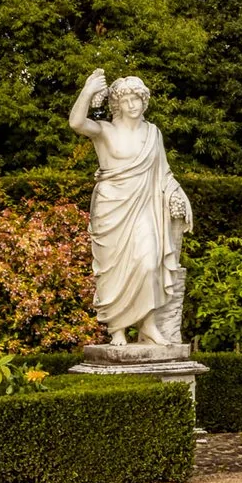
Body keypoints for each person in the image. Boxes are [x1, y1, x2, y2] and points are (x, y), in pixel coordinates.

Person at [67, 68, 193, 347]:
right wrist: (88, 91)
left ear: (144, 101)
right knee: (114, 269)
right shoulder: (105, 131)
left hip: (144, 207)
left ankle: (147, 326)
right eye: (126, 100)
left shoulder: (153, 133)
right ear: (117, 105)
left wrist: (178, 193)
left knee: (149, 263)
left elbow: (164, 173)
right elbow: (76, 123)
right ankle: (117, 330)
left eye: (137, 98)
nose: (132, 104)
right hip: (112, 209)